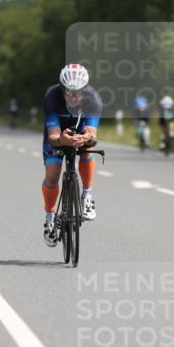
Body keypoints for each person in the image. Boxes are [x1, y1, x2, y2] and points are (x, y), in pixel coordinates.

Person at [42, 64, 102, 247]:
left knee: (87, 152)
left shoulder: (93, 100)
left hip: (81, 128)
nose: (74, 97)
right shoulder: (52, 97)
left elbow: (92, 134)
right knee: (52, 174)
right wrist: (62, 139)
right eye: (69, 92)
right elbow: (53, 136)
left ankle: (87, 194)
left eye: (78, 92)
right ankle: (50, 217)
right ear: (62, 89)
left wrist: (87, 138)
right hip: (58, 132)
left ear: (85, 90)